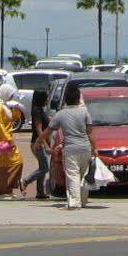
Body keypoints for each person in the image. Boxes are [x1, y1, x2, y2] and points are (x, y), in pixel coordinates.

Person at [48, 81, 98, 210]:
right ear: (78, 98)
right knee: (84, 175)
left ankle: (74, 203)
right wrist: (95, 148)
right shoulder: (85, 112)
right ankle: (83, 201)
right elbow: (90, 132)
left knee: (73, 175)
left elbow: (49, 130)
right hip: (85, 147)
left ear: (65, 99)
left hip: (70, 149)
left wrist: (40, 143)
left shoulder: (61, 114)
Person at [0, 83, 25, 198]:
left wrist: (16, 111)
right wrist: (8, 140)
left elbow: (10, 120)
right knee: (10, 164)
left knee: (7, 165)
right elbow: (0, 126)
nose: (11, 97)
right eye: (10, 94)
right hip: (3, 141)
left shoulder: (3, 105)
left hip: (5, 139)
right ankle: (3, 191)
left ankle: (7, 190)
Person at [20, 86, 51, 200]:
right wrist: (45, 144)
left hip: (38, 142)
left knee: (42, 166)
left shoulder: (39, 110)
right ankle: (26, 181)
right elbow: (39, 129)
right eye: (46, 97)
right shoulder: (37, 111)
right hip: (37, 143)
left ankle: (40, 192)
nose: (47, 99)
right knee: (45, 168)